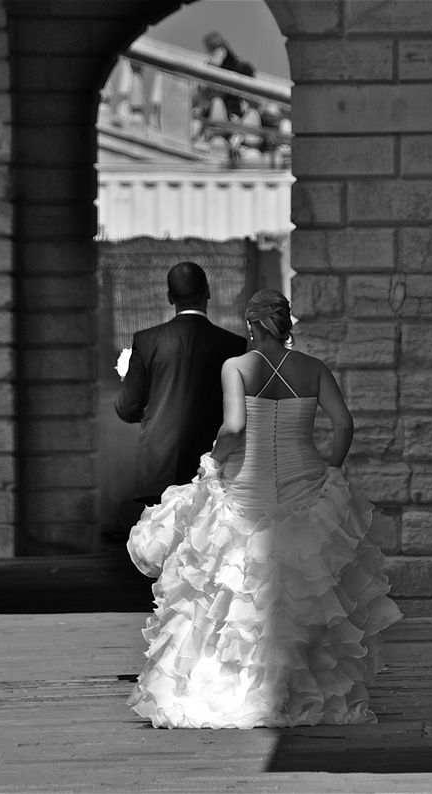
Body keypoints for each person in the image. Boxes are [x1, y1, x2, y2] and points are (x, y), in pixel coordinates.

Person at [125, 289, 402, 729]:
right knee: (306, 594)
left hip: (245, 491)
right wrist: (332, 468)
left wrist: (215, 458)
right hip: (306, 487)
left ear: (253, 326)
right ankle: (300, 692)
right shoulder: (314, 369)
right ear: (284, 324)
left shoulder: (236, 366)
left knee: (233, 592)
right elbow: (344, 423)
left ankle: (235, 687)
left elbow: (235, 426)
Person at [115, 262, 247, 505]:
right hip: (213, 465)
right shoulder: (234, 345)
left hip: (158, 467)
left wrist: (150, 411)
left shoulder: (146, 341)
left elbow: (127, 408)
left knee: (159, 540)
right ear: (207, 291)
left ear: (169, 297)